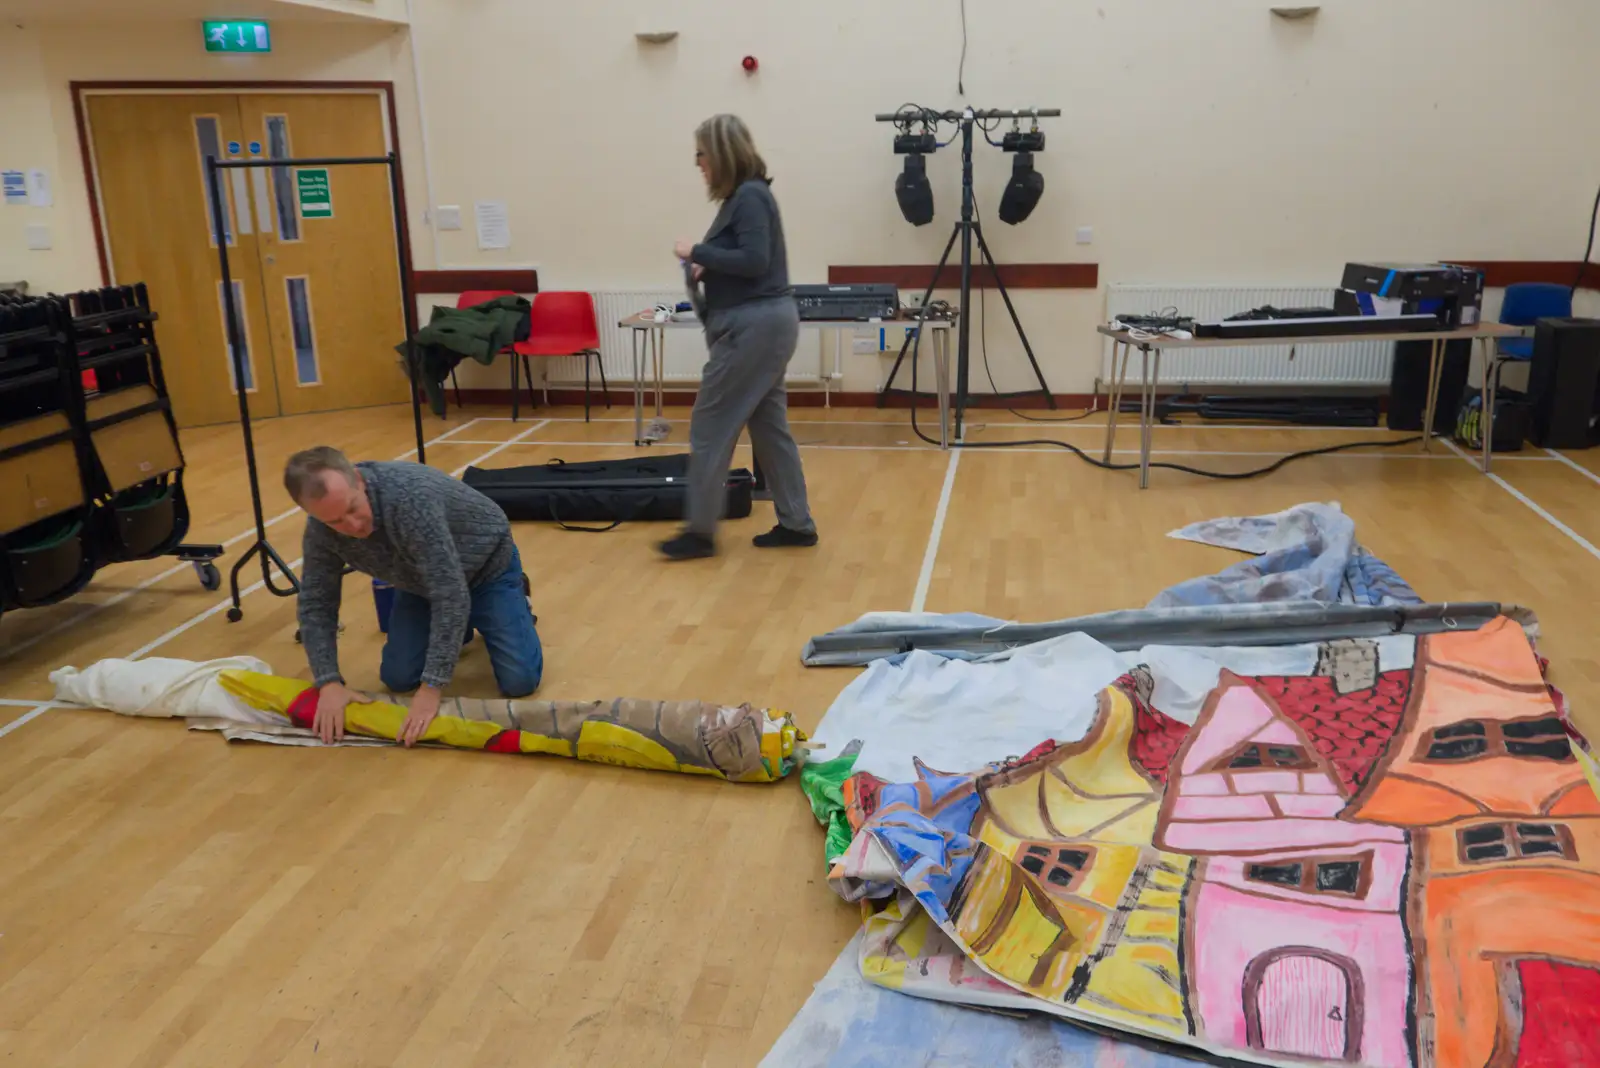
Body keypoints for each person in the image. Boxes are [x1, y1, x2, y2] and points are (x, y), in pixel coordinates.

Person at [284, 446, 543, 747]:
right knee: (399, 679)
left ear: (359, 480)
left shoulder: (409, 499)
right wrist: (328, 681)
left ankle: (515, 599)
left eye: (353, 508)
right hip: (420, 582)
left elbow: (450, 593)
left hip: (488, 568)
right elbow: (317, 603)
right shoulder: (320, 529)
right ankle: (461, 627)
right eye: (336, 522)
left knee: (519, 681)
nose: (352, 526)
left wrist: (432, 688)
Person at [661, 113, 818, 560]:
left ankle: (700, 533)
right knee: (769, 429)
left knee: (710, 426)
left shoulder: (749, 196)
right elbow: (749, 258)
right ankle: (796, 523)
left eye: (701, 154)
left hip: (755, 328)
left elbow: (754, 258)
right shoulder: (746, 197)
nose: (698, 164)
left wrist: (698, 251)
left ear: (721, 153)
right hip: (763, 325)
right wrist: (709, 264)